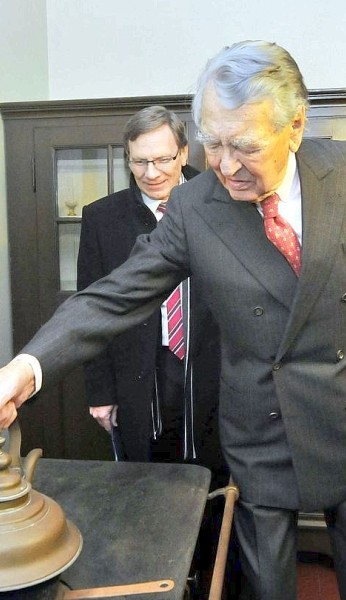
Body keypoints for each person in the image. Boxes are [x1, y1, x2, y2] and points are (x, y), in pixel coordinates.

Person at [0, 40, 346, 600]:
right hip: (262, 426)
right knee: (265, 585)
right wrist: (25, 367)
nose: (225, 165)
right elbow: (113, 295)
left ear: (297, 125)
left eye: (246, 146)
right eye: (213, 142)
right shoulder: (194, 207)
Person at [77, 105, 222, 474]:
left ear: (185, 153)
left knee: (214, 487)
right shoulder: (101, 219)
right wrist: (100, 393)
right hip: (139, 374)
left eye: (162, 159)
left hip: (214, 374)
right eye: (140, 162)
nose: (151, 173)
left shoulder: (224, 203)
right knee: (145, 488)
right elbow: (90, 312)